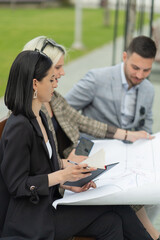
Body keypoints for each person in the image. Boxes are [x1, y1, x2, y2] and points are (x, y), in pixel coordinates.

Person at [0, 50, 154, 240]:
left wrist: (71, 184)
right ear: (34, 84)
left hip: (48, 206)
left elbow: (41, 170)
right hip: (33, 220)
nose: (55, 84)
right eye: (51, 80)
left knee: (111, 223)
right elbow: (16, 185)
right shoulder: (19, 127)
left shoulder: (39, 116)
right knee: (116, 205)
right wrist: (62, 174)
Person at [65, 35, 157, 135]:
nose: (140, 75)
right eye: (135, 68)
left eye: (146, 70)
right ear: (125, 57)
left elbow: (146, 129)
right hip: (94, 146)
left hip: (129, 148)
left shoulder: (148, 90)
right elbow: (63, 110)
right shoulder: (96, 79)